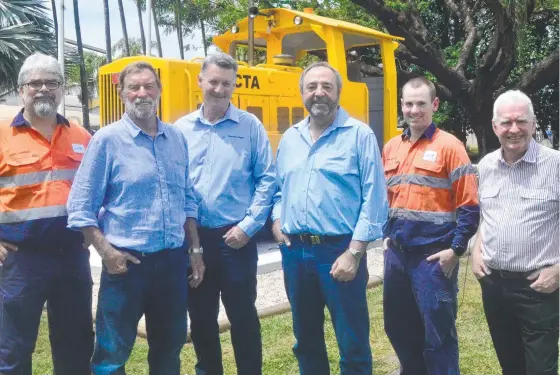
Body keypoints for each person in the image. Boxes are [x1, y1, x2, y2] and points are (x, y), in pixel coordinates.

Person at [67, 61, 204, 375]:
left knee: (169, 350)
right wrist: (107, 252)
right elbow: (80, 206)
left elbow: (187, 198)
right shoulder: (107, 140)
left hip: (171, 265)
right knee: (111, 355)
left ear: (159, 90)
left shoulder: (176, 138)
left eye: (149, 86)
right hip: (125, 266)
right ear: (122, 93)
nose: (142, 93)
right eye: (134, 87)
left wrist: (195, 250)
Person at [271, 61, 388, 375]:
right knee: (305, 341)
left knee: (352, 343)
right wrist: (276, 219)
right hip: (295, 254)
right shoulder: (290, 138)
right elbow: (279, 188)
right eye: (312, 87)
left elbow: (374, 198)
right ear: (302, 94)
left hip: (339, 252)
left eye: (326, 86)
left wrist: (354, 253)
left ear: (338, 92)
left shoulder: (359, 135)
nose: (318, 93)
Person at [174, 53, 275, 375]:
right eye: (213, 81)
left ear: (234, 86)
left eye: (226, 83)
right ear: (200, 81)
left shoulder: (249, 127)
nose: (219, 89)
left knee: (243, 316)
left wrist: (249, 226)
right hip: (195, 239)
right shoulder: (181, 130)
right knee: (201, 318)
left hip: (236, 239)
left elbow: (267, 179)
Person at [0, 53, 94, 375]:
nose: (43, 89)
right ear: (21, 88)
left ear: (60, 88)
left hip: (72, 257)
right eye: (35, 83)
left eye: (51, 82)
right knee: (13, 347)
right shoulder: (2, 134)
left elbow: (99, 188)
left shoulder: (81, 136)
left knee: (77, 344)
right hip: (20, 262)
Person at [382, 77, 479, 375]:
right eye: (409, 104)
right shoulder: (391, 147)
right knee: (397, 327)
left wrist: (456, 250)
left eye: (421, 104)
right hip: (397, 256)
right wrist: (386, 236)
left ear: (434, 104)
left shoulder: (451, 147)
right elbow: (385, 198)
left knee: (438, 334)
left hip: (433, 257)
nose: (414, 110)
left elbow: (470, 204)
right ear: (402, 105)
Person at [472, 90, 559, 375]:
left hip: (538, 288)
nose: (514, 129)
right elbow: (487, 216)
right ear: (495, 127)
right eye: (506, 123)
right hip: (495, 286)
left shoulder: (555, 165)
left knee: (539, 369)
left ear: (533, 124)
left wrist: (558, 270)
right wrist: (475, 251)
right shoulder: (485, 166)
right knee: (510, 365)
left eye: (521, 121)